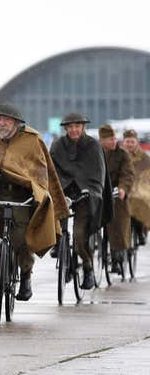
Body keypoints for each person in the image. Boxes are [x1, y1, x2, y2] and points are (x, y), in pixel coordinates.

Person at [0, 103, 69, 301]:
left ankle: (26, 278)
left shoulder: (32, 140)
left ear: (16, 123)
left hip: (22, 196)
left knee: (21, 237)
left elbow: (41, 171)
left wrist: (38, 193)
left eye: (5, 120)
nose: (1, 123)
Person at [49, 113, 113, 289]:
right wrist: (57, 188)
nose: (74, 130)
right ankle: (58, 245)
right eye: (70, 127)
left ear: (83, 127)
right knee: (52, 220)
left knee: (79, 236)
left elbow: (97, 173)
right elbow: (51, 170)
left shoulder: (93, 146)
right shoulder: (57, 146)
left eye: (77, 126)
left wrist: (91, 190)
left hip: (86, 195)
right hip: (64, 193)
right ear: (65, 129)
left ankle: (88, 267)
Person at [99, 124, 135, 273]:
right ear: (101, 140)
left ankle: (117, 257)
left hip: (116, 193)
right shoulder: (96, 153)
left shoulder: (122, 154)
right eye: (109, 139)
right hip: (99, 192)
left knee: (118, 222)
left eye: (114, 138)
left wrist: (123, 189)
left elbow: (127, 174)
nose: (113, 141)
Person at [122, 129, 150, 246]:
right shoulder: (119, 155)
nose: (130, 144)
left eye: (132, 142)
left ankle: (140, 231)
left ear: (136, 142)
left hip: (140, 187)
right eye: (127, 141)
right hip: (122, 186)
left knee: (140, 201)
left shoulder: (144, 157)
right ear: (124, 142)